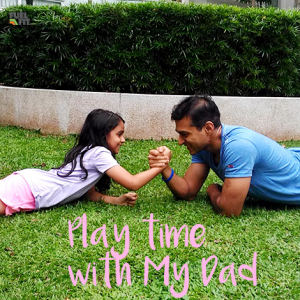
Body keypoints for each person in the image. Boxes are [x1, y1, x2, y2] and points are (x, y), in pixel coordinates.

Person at [148, 95, 300, 217]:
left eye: (185, 134)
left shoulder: (239, 146)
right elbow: (188, 192)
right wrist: (164, 168)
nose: (180, 141)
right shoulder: (203, 148)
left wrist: (212, 189)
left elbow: (230, 211)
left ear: (208, 128)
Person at [0, 109, 169, 216]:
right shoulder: (99, 153)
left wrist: (117, 200)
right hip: (29, 190)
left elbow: (90, 194)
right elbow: (132, 183)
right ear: (104, 134)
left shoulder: (90, 151)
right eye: (119, 134)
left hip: (28, 184)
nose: (123, 140)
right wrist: (162, 164)